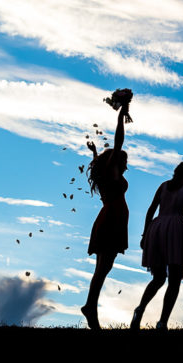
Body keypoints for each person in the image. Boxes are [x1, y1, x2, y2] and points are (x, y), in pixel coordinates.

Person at [81, 96, 132, 330]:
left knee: (103, 268)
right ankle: (90, 307)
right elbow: (118, 142)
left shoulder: (103, 174)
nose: (125, 162)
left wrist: (94, 154)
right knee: (103, 268)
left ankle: (90, 305)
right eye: (123, 160)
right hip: (112, 219)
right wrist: (120, 115)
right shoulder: (111, 172)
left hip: (110, 218)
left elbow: (100, 163)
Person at [130, 161, 183, 329]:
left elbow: (151, 209)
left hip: (157, 227)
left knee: (159, 277)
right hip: (175, 228)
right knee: (174, 279)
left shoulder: (163, 185)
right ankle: (162, 321)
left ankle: (140, 309)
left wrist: (145, 233)